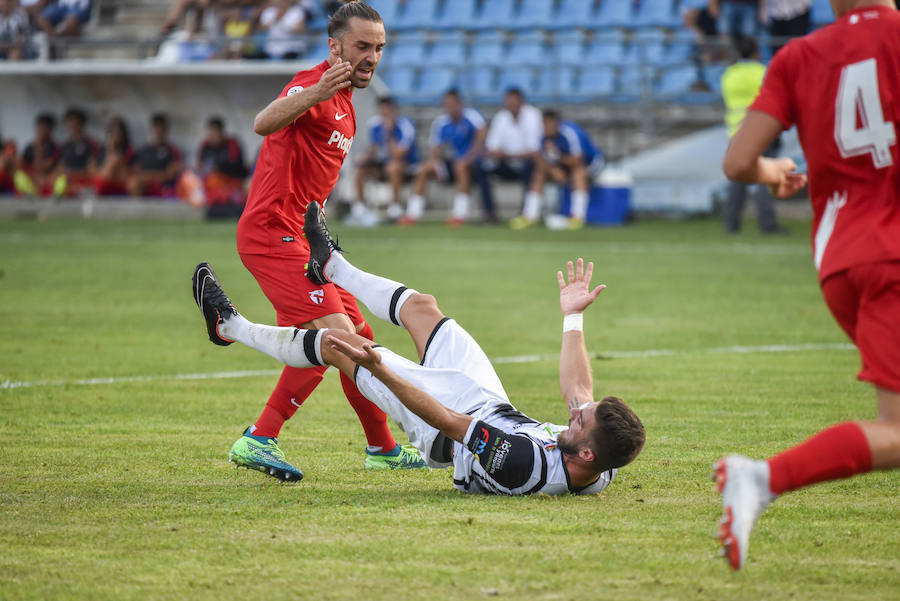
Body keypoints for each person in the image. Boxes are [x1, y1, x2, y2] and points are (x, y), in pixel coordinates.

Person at [192, 202, 646, 493]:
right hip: (489, 403)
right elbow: (579, 389)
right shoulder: (600, 462)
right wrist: (573, 316)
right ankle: (331, 264)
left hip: (443, 430)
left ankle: (229, 326)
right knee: (424, 307)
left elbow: (447, 421)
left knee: (342, 345)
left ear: (585, 453)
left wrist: (383, 372)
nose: (574, 412)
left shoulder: (523, 464)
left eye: (580, 421)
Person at [716, 0, 900, 571]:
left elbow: (740, 160)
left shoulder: (800, 55)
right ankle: (762, 477)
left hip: (843, 264)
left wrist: (775, 172)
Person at [232, 0, 425, 481]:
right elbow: (264, 121)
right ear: (335, 46)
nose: (371, 56)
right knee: (337, 342)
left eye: (378, 48)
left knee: (357, 339)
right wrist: (315, 90)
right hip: (271, 234)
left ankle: (381, 448)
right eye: (362, 46)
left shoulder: (346, 105)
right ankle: (259, 438)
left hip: (305, 243)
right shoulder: (314, 85)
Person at [720, 36, 783, 234]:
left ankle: (731, 223)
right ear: (756, 52)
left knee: (737, 179)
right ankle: (767, 223)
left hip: (735, 131)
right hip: (760, 130)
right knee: (764, 176)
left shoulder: (729, 75)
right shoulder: (763, 72)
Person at [403, 89, 488, 226]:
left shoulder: (472, 116)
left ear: (459, 104)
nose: (450, 108)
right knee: (425, 169)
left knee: (461, 166)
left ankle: (459, 214)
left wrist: (469, 157)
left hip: (475, 163)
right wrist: (434, 163)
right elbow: (436, 149)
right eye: (447, 105)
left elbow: (481, 137)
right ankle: (413, 213)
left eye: (452, 104)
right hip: (454, 163)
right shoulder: (441, 122)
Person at [511, 110, 604, 231]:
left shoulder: (571, 133)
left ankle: (577, 216)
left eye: (550, 124)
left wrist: (558, 157)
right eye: (544, 124)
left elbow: (578, 160)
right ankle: (530, 215)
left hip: (591, 163)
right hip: (562, 165)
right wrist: (553, 169)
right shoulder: (542, 136)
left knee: (579, 172)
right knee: (539, 173)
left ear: (557, 124)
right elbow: (538, 158)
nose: (547, 127)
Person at [350, 96, 418, 226]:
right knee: (361, 170)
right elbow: (373, 148)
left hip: (405, 166)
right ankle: (359, 210)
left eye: (388, 109)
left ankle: (395, 207)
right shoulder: (375, 124)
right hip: (383, 164)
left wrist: (389, 132)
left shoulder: (405, 125)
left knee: (393, 167)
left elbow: (399, 154)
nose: (385, 113)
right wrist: (364, 157)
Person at [481, 88, 543, 225]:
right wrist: (502, 154)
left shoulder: (533, 115)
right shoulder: (501, 117)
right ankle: (489, 213)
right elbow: (491, 148)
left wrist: (507, 154)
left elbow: (533, 151)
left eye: (514, 103)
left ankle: (527, 212)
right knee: (479, 167)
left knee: (533, 166)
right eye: (508, 103)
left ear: (522, 102)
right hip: (506, 164)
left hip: (526, 164)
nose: (511, 106)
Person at [196, 116, 247, 217]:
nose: (214, 135)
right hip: (212, 185)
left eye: (216, 131)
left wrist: (217, 167)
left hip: (232, 182)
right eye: (212, 132)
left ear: (222, 132)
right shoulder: (205, 146)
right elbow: (200, 165)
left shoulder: (232, 144)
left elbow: (236, 166)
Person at [129, 113, 183, 199]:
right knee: (133, 183)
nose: (159, 131)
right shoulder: (143, 150)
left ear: (166, 130)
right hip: (143, 184)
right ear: (152, 129)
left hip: (162, 187)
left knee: (136, 184)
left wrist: (146, 177)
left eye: (162, 128)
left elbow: (168, 175)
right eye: (156, 128)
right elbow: (135, 171)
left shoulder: (172, 151)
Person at [52, 106, 99, 198]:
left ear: (82, 124)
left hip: (83, 181)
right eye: (70, 122)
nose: (73, 125)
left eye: (76, 122)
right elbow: (59, 167)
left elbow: (93, 170)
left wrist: (74, 174)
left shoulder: (91, 144)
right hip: (66, 181)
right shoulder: (64, 146)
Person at [14, 112, 58, 197]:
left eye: (45, 127)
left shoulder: (54, 148)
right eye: (40, 127)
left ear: (50, 129)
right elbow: (20, 165)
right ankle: (29, 194)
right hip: (31, 179)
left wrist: (38, 146)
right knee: (19, 176)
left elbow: (42, 168)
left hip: (46, 180)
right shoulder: (29, 147)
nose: (42, 130)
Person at [93, 116, 133, 197]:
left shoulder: (128, 151)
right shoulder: (102, 151)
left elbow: (128, 173)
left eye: (118, 133)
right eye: (113, 133)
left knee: (115, 160)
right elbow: (93, 168)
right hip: (103, 181)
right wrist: (109, 151)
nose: (115, 136)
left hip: (120, 184)